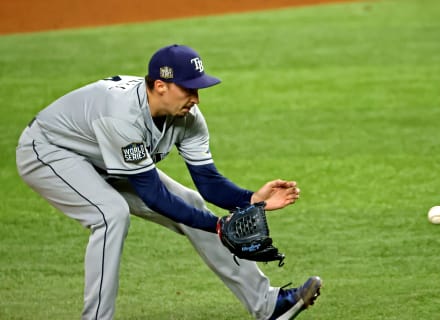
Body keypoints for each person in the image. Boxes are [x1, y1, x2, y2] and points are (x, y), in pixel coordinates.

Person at [16, 44, 322, 320]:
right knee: (111, 214)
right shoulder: (122, 115)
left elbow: (208, 181)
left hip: (102, 158)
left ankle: (268, 306)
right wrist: (218, 226)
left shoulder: (188, 117)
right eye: (188, 89)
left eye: (198, 89)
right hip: (50, 151)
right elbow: (153, 195)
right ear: (160, 86)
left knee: (191, 203)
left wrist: (252, 199)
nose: (196, 98)